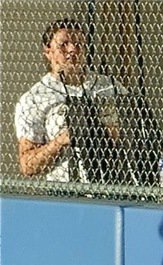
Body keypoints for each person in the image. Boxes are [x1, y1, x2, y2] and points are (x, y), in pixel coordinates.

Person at [15, 18, 124, 183]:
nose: (73, 49)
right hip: (66, 189)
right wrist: (62, 140)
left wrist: (107, 132)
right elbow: (28, 165)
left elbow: (134, 130)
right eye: (63, 44)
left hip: (113, 182)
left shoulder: (109, 86)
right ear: (48, 51)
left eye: (79, 43)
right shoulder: (35, 98)